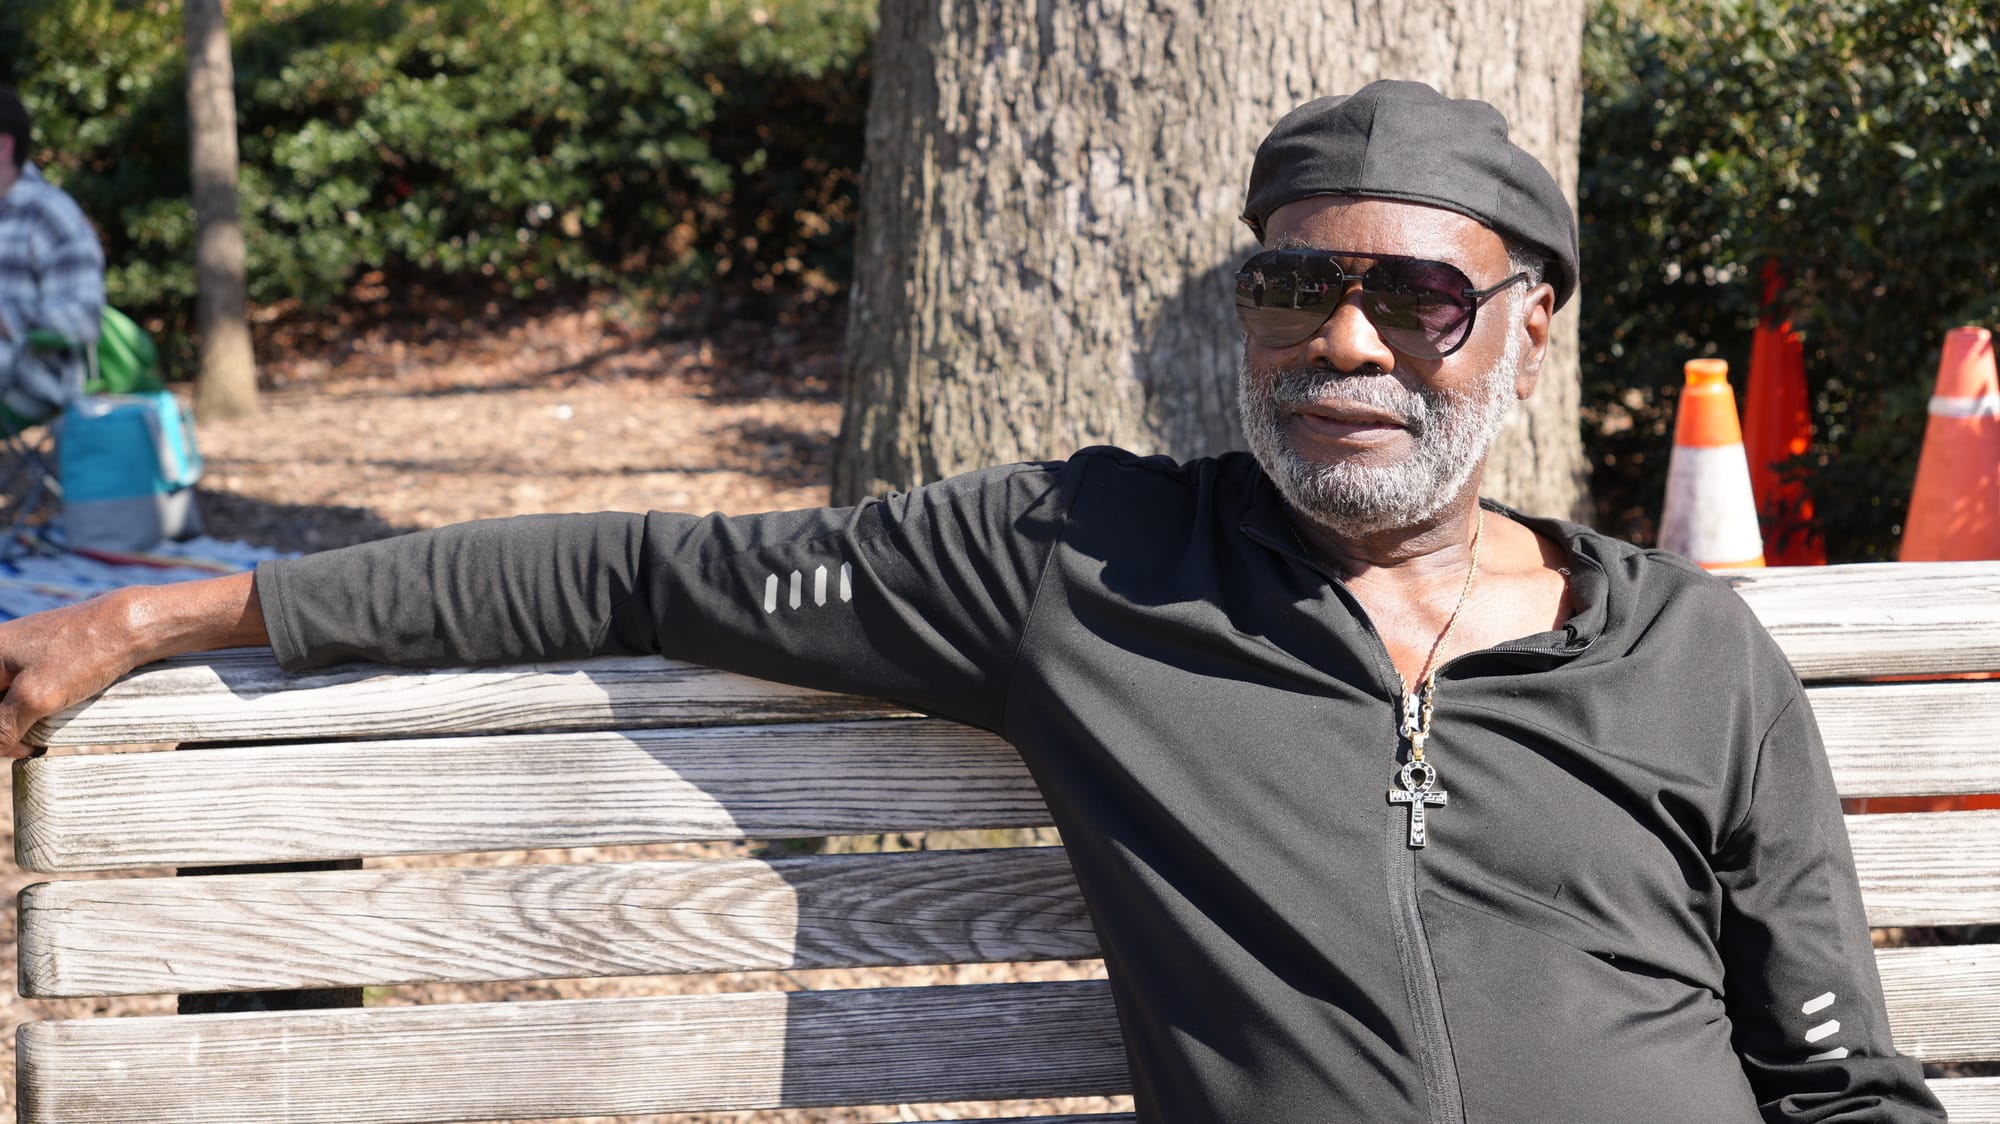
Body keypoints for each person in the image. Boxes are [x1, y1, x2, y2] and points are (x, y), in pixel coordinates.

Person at [0, 80, 1945, 1122]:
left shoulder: (1680, 650)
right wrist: (154, 618)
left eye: (1416, 299)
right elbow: (627, 566)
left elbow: (1836, 1078)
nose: (1345, 342)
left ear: (1522, 330)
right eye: (1292, 292)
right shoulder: (1082, 567)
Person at [0, 85, 106, 424]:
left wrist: (9, 317)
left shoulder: (49, 213)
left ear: (3, 145)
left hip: (31, 378)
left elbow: (85, 316)